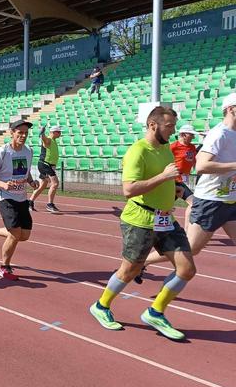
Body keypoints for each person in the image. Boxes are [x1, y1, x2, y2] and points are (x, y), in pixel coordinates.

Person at [89, 106, 195, 341]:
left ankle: (155, 312)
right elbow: (129, 189)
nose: (173, 131)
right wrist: (163, 177)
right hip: (140, 220)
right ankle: (101, 305)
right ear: (152, 125)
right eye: (169, 127)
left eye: (174, 126)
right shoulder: (138, 151)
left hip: (166, 219)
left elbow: (170, 180)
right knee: (130, 270)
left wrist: (182, 192)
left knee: (187, 269)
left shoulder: (166, 147)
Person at [139, 94, 236, 279]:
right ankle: (143, 262)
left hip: (231, 200)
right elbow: (201, 166)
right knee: (190, 249)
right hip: (211, 201)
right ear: (231, 109)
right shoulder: (220, 134)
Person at [0, 120, 40, 280]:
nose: (23, 136)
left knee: (24, 235)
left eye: (26, 133)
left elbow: (25, 171)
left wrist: (31, 181)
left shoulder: (28, 151)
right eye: (20, 133)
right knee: (15, 233)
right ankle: (4, 267)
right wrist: (3, 185)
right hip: (5, 196)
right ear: (11, 133)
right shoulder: (2, 152)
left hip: (21, 197)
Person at [29, 124, 62, 213]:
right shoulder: (49, 140)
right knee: (55, 184)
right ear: (53, 132)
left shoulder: (53, 141)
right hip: (45, 165)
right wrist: (42, 133)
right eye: (59, 132)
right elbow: (44, 139)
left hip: (47, 165)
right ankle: (50, 204)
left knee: (42, 185)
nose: (60, 134)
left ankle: (30, 202)